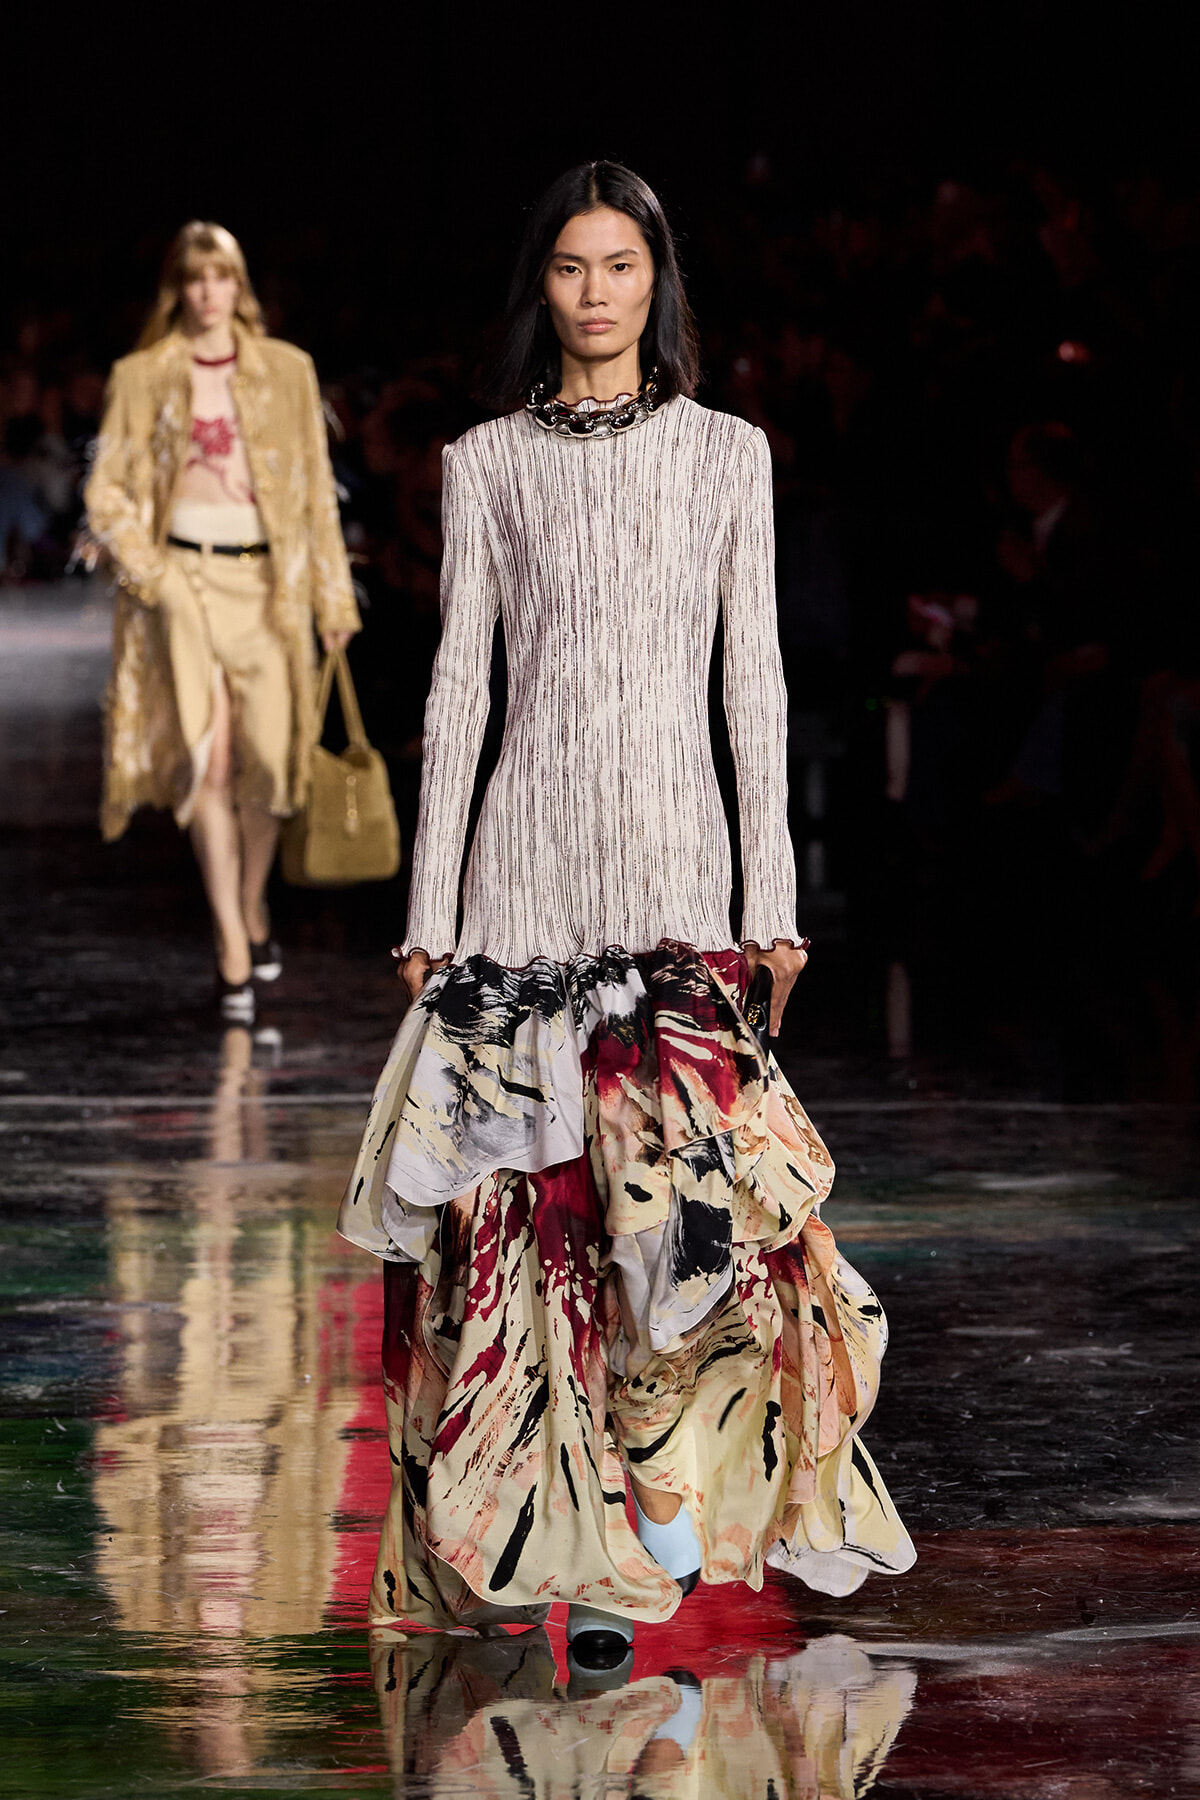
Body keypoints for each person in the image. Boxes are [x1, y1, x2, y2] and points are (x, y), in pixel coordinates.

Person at [339, 163, 914, 1670]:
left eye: (623, 267)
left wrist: (773, 903)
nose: (597, 293)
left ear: (660, 285)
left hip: (676, 863)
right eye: (572, 269)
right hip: (525, 873)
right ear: (542, 287)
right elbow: (459, 689)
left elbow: (757, 686)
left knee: (677, 1218)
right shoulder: (485, 464)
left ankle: (657, 1498)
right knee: (540, 1223)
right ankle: (590, 1561)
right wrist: (433, 902)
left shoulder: (729, 454)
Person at [86, 221, 361, 1022]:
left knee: (272, 767)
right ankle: (231, 943)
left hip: (267, 583)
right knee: (208, 759)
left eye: (222, 276)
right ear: (178, 287)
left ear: (239, 286)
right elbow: (106, 492)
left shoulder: (287, 372)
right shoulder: (143, 376)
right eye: (194, 278)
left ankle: (249, 904)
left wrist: (332, 602)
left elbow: (314, 492)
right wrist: (156, 577)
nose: (209, 292)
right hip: (184, 581)